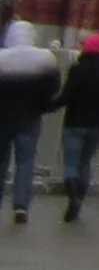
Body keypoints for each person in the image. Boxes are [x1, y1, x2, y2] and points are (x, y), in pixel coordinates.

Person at [0, 24, 62, 228]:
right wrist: (43, 106)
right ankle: (21, 206)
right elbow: (53, 86)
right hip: (29, 118)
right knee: (25, 162)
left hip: (2, 118)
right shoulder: (44, 59)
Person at [56, 34, 99, 222]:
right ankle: (80, 198)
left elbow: (66, 96)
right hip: (97, 123)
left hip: (74, 122)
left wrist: (47, 106)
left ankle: (73, 197)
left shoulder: (77, 69)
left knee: (71, 164)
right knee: (85, 162)